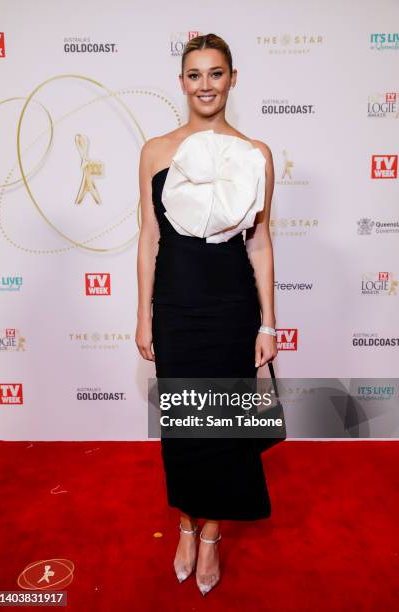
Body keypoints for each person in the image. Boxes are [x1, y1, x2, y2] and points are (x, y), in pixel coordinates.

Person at [136, 33, 277, 596]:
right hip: (175, 303)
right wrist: (143, 315)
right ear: (182, 83)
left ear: (232, 79)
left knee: (225, 425)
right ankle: (185, 526)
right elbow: (148, 238)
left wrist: (267, 322)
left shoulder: (256, 153)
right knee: (186, 424)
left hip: (231, 305)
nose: (205, 85)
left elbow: (261, 242)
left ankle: (211, 533)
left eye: (215, 74)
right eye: (194, 75)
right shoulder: (155, 150)